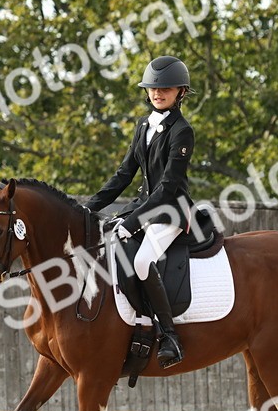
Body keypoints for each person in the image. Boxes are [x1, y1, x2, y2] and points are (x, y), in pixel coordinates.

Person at [84, 55, 197, 368]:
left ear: (181, 93)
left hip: (171, 210)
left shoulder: (182, 131)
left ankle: (169, 335)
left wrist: (131, 222)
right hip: (144, 205)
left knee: (143, 261)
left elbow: (168, 187)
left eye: (166, 89)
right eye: (152, 88)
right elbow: (124, 174)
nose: (158, 93)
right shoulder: (143, 125)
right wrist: (87, 207)